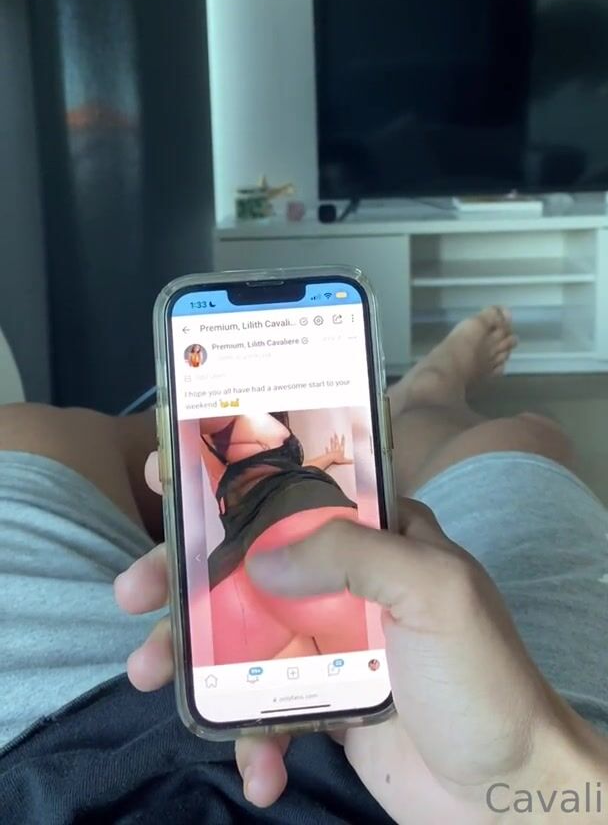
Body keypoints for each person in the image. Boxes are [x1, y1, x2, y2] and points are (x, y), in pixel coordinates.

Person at [0, 308, 606, 823]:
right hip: (411, 755)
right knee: (523, 441)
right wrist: (534, 777)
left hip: (51, 738)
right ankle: (430, 393)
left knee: (30, 436)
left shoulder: (262, 444)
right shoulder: (228, 445)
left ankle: (400, 405)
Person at [197, 411, 367, 663]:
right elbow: (283, 474)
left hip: (239, 570)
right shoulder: (239, 425)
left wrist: (329, 457)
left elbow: (282, 473)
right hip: (305, 521)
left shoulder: (231, 451)